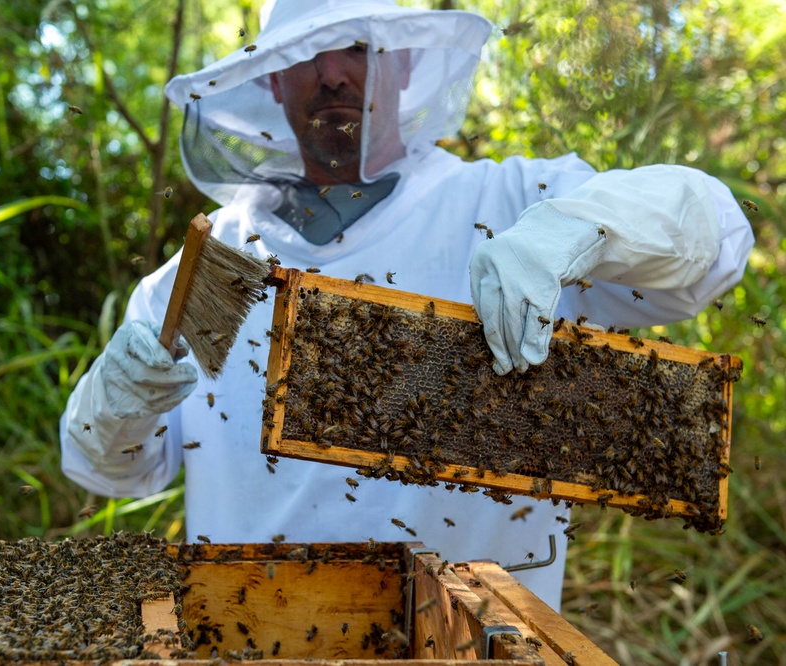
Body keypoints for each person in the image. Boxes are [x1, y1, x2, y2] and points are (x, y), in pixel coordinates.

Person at [60, 0, 753, 610]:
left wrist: (582, 229)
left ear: (404, 64)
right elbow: (105, 467)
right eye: (306, 54)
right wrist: (118, 400)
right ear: (272, 78)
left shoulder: (508, 204)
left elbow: (718, 239)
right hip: (253, 631)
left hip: (469, 634)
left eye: (358, 49)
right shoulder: (217, 268)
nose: (333, 72)